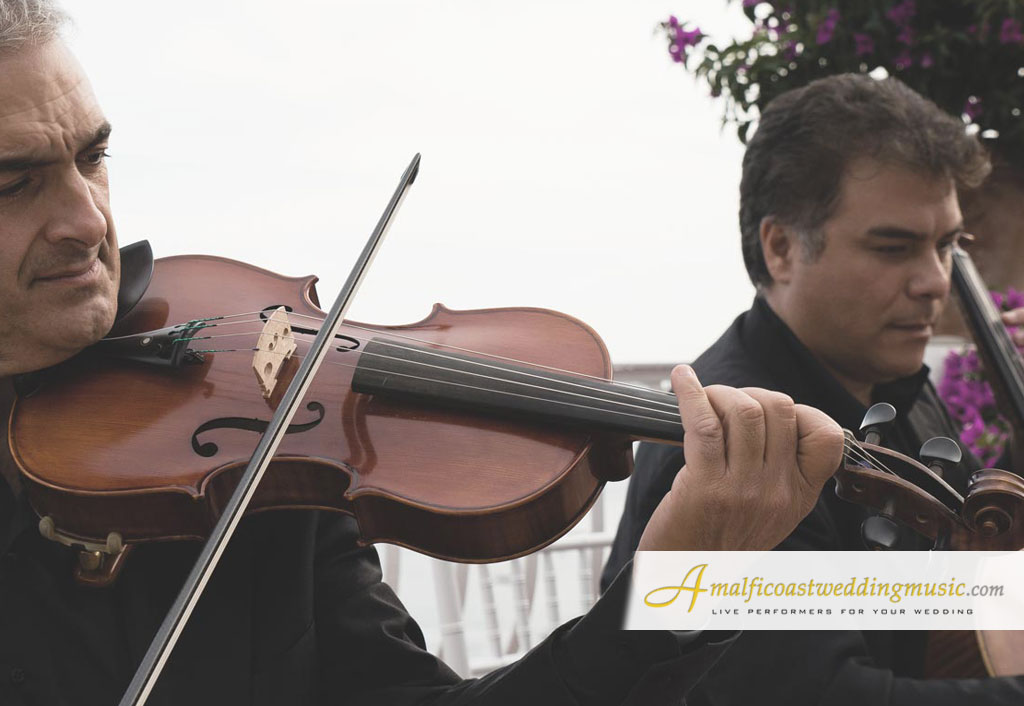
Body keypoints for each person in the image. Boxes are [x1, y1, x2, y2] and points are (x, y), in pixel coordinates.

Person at [0, 3, 847, 704]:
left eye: (94, 157)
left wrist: (671, 588)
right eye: (15, 182)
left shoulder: (260, 454)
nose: (90, 222)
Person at [603, 73, 1024, 704]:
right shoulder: (731, 439)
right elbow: (825, 692)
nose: (936, 283)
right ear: (781, 248)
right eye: (893, 247)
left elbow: (969, 564)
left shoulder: (899, 388)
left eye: (946, 246)